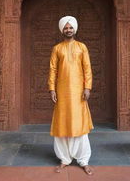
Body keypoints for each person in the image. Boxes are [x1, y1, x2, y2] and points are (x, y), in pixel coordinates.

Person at [48, 16, 94, 175]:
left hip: (78, 92)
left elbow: (87, 69)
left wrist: (87, 87)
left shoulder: (82, 47)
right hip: (62, 91)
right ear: (62, 30)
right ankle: (64, 159)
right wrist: (52, 89)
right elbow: (53, 70)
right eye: (66, 28)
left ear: (75, 29)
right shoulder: (57, 48)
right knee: (62, 124)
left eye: (71, 27)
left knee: (79, 124)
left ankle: (83, 160)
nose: (68, 30)